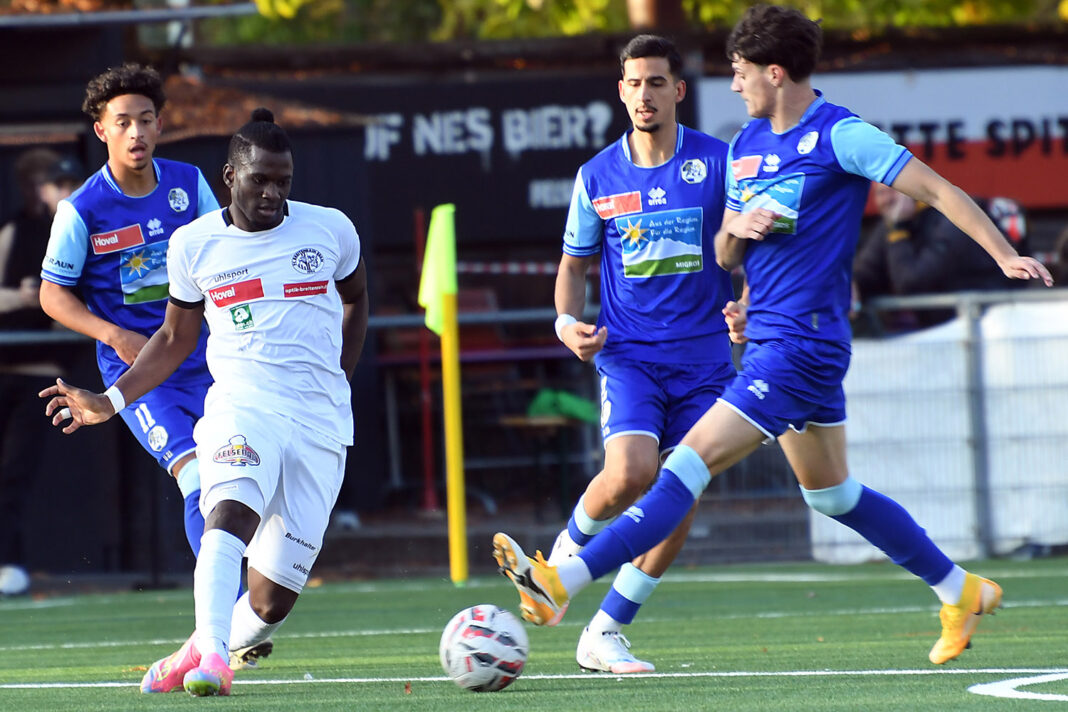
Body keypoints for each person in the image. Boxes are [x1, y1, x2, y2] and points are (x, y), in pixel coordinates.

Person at [492, 3, 1052, 667]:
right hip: (766, 341)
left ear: (775, 73)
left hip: (802, 347)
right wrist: (741, 262)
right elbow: (727, 254)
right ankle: (959, 589)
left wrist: (1001, 254)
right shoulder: (747, 147)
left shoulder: (841, 135)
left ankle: (565, 581)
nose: (733, 85)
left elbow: (935, 189)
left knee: (683, 467)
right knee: (833, 494)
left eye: (740, 72)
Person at [41, 108, 368, 697]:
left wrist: (340, 377)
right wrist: (111, 401)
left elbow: (358, 297)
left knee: (271, 603)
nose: (272, 194)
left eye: (283, 181)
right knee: (229, 510)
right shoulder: (194, 245)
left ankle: (202, 642)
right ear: (229, 176)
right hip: (243, 405)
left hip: (321, 423)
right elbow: (172, 339)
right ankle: (214, 656)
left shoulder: (331, 229)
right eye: (259, 180)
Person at [544, 34, 735, 673]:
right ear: (621, 91)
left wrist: (747, 303)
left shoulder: (719, 163)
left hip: (706, 359)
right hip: (629, 356)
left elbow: (750, 250)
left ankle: (603, 632)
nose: (645, 94)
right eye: (634, 82)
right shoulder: (596, 175)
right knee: (631, 473)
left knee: (678, 494)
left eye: (657, 82)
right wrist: (567, 321)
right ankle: (559, 563)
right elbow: (573, 268)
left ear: (678, 91)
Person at [39, 64, 220, 580]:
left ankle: (247, 604)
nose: (136, 133)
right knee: (199, 479)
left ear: (160, 125)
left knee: (239, 479)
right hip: (139, 374)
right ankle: (227, 618)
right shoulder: (82, 209)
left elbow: (222, 257)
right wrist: (114, 333)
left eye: (145, 120)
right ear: (102, 131)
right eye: (122, 122)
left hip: (207, 359)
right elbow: (53, 294)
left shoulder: (189, 184)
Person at [0, 149, 84, 596]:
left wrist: (58, 310)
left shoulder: (86, 236)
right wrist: (24, 297)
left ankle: (11, 562)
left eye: (72, 186)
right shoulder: (18, 230)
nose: (64, 194)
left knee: (15, 473)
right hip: (4, 364)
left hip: (43, 374)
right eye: (58, 185)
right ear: (42, 190)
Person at [852, 182, 1023, 331]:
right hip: (941, 331)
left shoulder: (947, 219)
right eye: (880, 193)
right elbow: (868, 270)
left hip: (986, 325)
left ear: (910, 190)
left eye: (892, 190)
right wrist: (852, 285)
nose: (887, 199)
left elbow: (911, 282)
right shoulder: (890, 224)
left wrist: (898, 231)